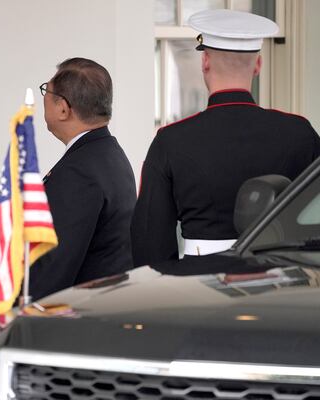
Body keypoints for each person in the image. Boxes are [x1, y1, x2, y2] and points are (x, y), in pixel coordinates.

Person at [131, 9, 320, 266]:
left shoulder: (171, 140)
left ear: (205, 61)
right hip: (285, 278)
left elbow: (149, 241)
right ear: (258, 65)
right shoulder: (300, 133)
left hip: (198, 282)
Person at [29, 57, 136, 301]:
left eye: (47, 89)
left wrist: (17, 317)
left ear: (64, 108)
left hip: (80, 318)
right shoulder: (108, 153)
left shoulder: (80, 171)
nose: (43, 97)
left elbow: (54, 265)